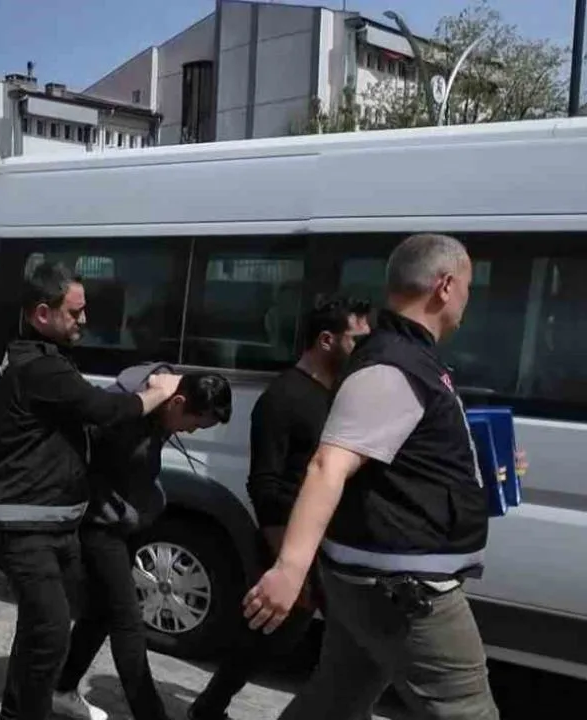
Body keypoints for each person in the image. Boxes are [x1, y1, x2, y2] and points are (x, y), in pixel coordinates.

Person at [243, 234, 501, 720]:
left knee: (336, 700)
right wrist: (290, 569)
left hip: (381, 575)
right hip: (406, 586)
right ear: (445, 286)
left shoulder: (408, 357)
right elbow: (328, 465)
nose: (468, 299)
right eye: (468, 287)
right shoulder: (392, 366)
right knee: (467, 710)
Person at [0, 262, 183, 720]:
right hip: (22, 523)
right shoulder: (39, 366)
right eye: (74, 311)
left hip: (51, 520)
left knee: (49, 623)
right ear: (42, 314)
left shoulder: (46, 358)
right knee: (51, 633)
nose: (84, 320)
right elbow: (104, 409)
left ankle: (24, 707)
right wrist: (158, 392)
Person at [188, 297, 371, 720]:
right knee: (270, 637)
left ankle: (208, 708)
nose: (364, 349)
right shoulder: (283, 398)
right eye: (357, 340)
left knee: (334, 646)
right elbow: (264, 485)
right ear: (326, 340)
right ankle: (207, 710)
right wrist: (288, 561)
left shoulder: (339, 395)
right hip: (295, 541)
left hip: (333, 541)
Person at [55, 365, 232, 720]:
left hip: (120, 520)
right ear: (177, 402)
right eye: (194, 424)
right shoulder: (128, 413)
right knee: (128, 621)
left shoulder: (165, 408)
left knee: (101, 612)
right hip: (97, 522)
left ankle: (61, 689)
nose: (191, 431)